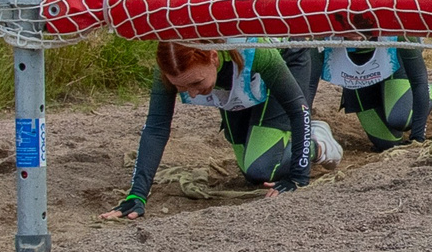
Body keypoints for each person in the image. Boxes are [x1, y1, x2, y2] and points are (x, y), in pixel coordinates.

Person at [116, 43, 336, 216]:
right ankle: (284, 140)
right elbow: (156, 127)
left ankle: (318, 143)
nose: (192, 94)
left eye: (196, 82)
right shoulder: (172, 66)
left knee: (261, 168)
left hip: (288, 60)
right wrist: (137, 195)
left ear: (213, 56)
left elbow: (298, 110)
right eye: (181, 87)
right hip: (240, 81)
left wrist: (299, 178)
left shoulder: (256, 52)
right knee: (250, 171)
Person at [324, 43, 432, 150]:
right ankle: (391, 102)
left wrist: (417, 137)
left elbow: (419, 79)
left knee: (402, 119)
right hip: (354, 70)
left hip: (391, 54)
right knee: (387, 143)